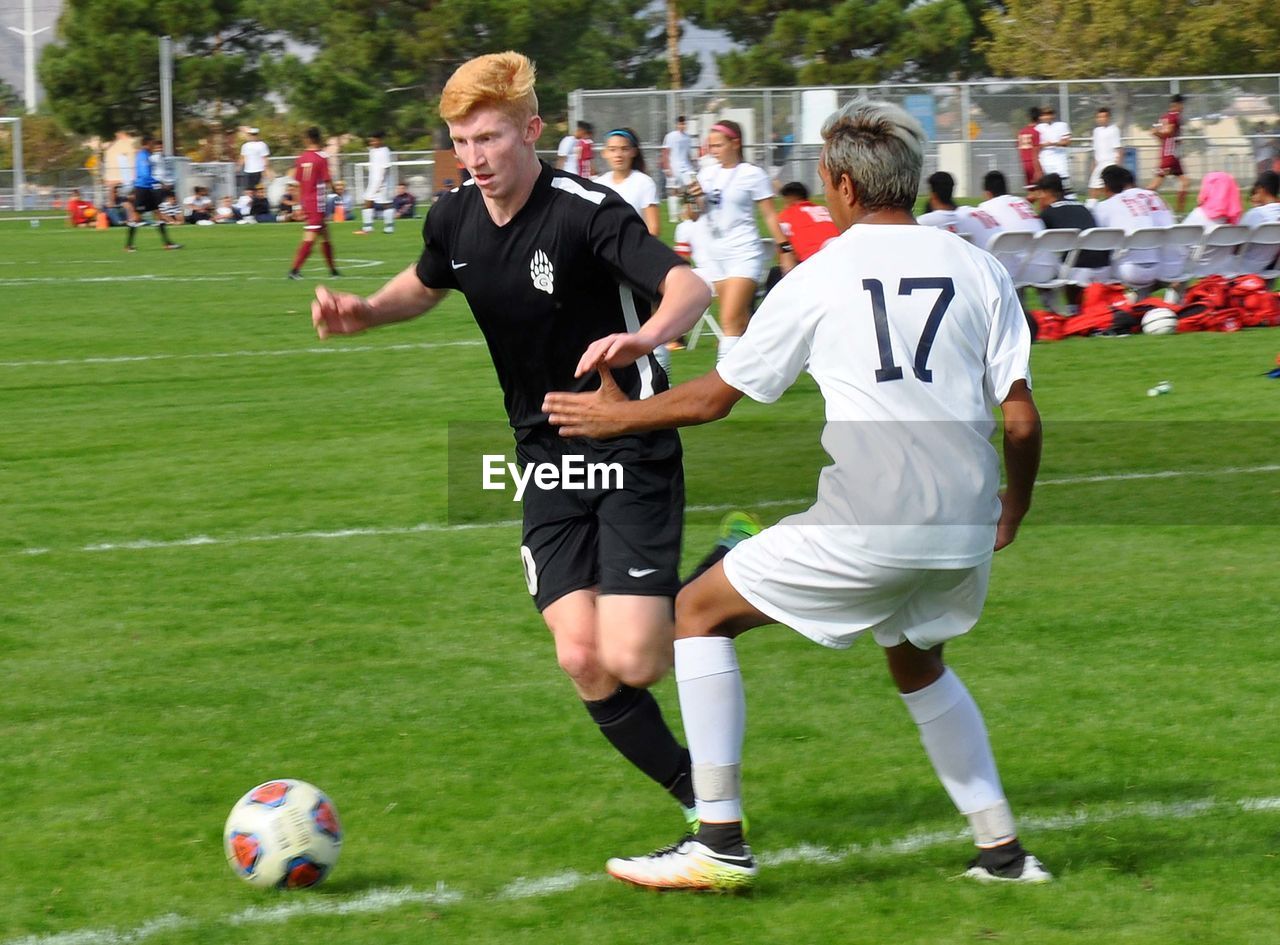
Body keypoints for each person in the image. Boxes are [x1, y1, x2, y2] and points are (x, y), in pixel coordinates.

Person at [543, 97, 1049, 893]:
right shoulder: (979, 267)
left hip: (872, 523)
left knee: (694, 614)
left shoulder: (821, 276)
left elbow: (715, 397)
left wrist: (617, 418)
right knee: (917, 662)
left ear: (843, 185)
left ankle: (718, 838)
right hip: (964, 525)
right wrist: (1012, 508)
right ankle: (1004, 852)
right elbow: (1020, 421)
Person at [309, 51, 716, 833]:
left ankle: (718, 577)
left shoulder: (586, 211)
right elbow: (426, 282)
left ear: (532, 129)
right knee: (582, 658)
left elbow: (688, 286)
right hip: (547, 458)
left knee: (634, 658)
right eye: (461, 142)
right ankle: (705, 799)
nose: (474, 159)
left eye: (490, 139)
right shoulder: (455, 215)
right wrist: (366, 309)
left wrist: (651, 338)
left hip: (630, 440)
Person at [687, 119, 792, 362]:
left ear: (735, 143)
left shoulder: (752, 174)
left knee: (730, 322)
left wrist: (784, 248)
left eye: (718, 145)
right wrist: (692, 199)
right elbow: (693, 215)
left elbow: (769, 214)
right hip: (715, 255)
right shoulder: (706, 174)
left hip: (743, 252)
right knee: (741, 322)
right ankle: (770, 364)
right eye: (710, 145)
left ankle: (722, 384)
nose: (713, 150)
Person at [593, 128, 669, 374]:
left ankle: (661, 382)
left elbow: (653, 227)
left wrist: (631, 252)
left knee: (646, 326)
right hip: (605, 267)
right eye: (613, 150)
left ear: (634, 152)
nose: (618, 155)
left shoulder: (643, 183)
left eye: (624, 149)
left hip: (634, 264)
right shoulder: (598, 184)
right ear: (604, 153)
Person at [1028, 172, 1110, 296]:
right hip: (1105, 268)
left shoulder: (1048, 213)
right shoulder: (1082, 207)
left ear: (1045, 193)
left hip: (1078, 271)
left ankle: (1055, 309)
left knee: (1042, 267)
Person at [288, 126, 341, 280]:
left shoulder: (301, 158)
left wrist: (297, 205)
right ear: (319, 138)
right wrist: (335, 190)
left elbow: (296, 185)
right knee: (310, 238)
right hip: (317, 203)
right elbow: (327, 178)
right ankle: (294, 270)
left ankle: (333, 271)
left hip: (307, 202)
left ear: (307, 139)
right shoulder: (321, 157)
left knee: (325, 236)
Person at [122, 136, 181, 252]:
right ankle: (128, 246)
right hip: (143, 189)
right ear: (146, 144)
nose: (154, 147)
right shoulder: (143, 156)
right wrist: (159, 182)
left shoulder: (147, 156)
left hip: (149, 189)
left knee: (158, 213)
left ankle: (168, 244)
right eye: (152, 144)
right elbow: (144, 175)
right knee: (136, 217)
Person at [1149, 94, 1189, 216]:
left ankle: (1179, 213)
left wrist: (1159, 135)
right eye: (1182, 105)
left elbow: (1164, 136)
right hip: (1170, 155)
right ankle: (1143, 201)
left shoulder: (1164, 117)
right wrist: (1158, 134)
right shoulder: (1174, 117)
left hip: (1172, 154)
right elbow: (1168, 133)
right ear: (1177, 105)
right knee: (1155, 184)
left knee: (1185, 182)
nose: (1183, 107)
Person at [1239, 170, 1280, 275]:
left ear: (1262, 189)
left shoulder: (1255, 214)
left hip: (1245, 267)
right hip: (1270, 265)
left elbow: (1237, 244)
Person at [356, 131, 394, 234]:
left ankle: (389, 227)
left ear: (381, 140)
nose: (372, 142)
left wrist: (381, 183)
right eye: (371, 140)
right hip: (373, 181)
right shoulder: (372, 151)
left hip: (382, 183)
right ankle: (368, 227)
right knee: (367, 201)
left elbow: (386, 168)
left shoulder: (385, 151)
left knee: (386, 203)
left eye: (374, 140)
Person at [660, 115, 696, 223]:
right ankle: (673, 217)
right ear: (677, 125)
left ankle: (686, 213)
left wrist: (693, 164)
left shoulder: (688, 138)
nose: (682, 126)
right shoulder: (670, 136)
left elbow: (688, 154)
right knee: (674, 191)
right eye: (680, 123)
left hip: (686, 167)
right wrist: (667, 167)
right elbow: (665, 153)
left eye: (684, 124)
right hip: (674, 167)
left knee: (691, 188)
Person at [1035, 105, 1072, 193]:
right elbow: (1035, 145)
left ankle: (1070, 201)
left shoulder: (1062, 125)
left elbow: (1067, 142)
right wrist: (1042, 145)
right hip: (1045, 160)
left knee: (1064, 184)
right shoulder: (1038, 128)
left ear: (1053, 115)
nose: (1047, 117)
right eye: (1044, 115)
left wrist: (1054, 143)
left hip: (1059, 160)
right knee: (1047, 185)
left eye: (1049, 114)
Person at [1089, 107, 1123, 201]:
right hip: (1099, 164)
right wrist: (1094, 165)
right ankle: (1092, 208)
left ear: (1108, 118)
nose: (1101, 119)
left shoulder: (1114, 129)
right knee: (1093, 188)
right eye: (1099, 117)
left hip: (1110, 164)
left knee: (1110, 190)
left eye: (1104, 117)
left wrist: (1118, 166)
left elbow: (1119, 149)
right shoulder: (1096, 131)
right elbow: (1096, 149)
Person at [1016, 107, 1042, 190]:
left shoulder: (1021, 132)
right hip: (1033, 163)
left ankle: (1024, 203)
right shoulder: (1036, 132)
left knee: (1031, 190)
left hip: (1024, 163)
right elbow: (1035, 152)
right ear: (1039, 118)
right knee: (1040, 190)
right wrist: (1038, 170)